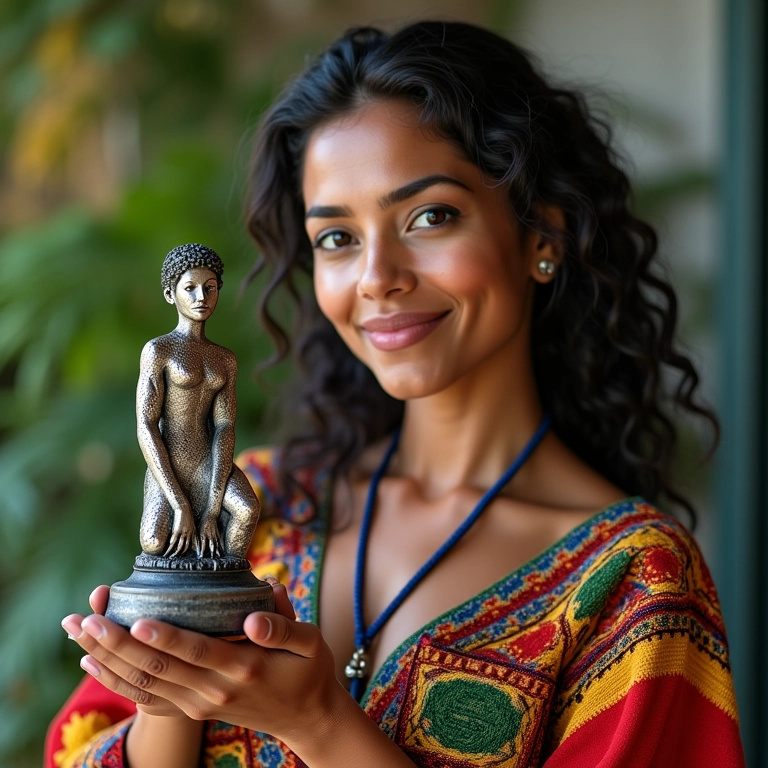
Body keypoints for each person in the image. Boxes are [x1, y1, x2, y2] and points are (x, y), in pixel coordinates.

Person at [47, 20, 745, 768]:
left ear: (542, 236)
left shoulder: (634, 582)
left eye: (429, 216)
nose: (377, 276)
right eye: (337, 238)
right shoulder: (263, 507)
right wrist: (171, 698)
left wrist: (322, 724)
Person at [135, 243, 259, 564]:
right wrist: (180, 504)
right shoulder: (158, 350)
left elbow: (225, 427)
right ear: (170, 294)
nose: (200, 297)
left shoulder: (224, 360)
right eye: (189, 288)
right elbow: (146, 426)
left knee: (247, 511)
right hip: (170, 462)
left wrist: (212, 508)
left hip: (208, 462)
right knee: (153, 541)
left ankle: (224, 580)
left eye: (210, 288)